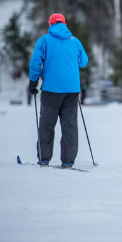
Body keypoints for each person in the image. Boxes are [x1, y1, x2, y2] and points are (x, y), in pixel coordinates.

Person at [28, 13, 89, 168]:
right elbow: (84, 62)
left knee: (47, 124)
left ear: (50, 24)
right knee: (69, 125)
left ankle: (44, 159)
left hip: (51, 90)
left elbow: (36, 62)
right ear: (65, 24)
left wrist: (33, 82)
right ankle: (68, 161)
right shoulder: (74, 41)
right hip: (72, 90)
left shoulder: (45, 40)